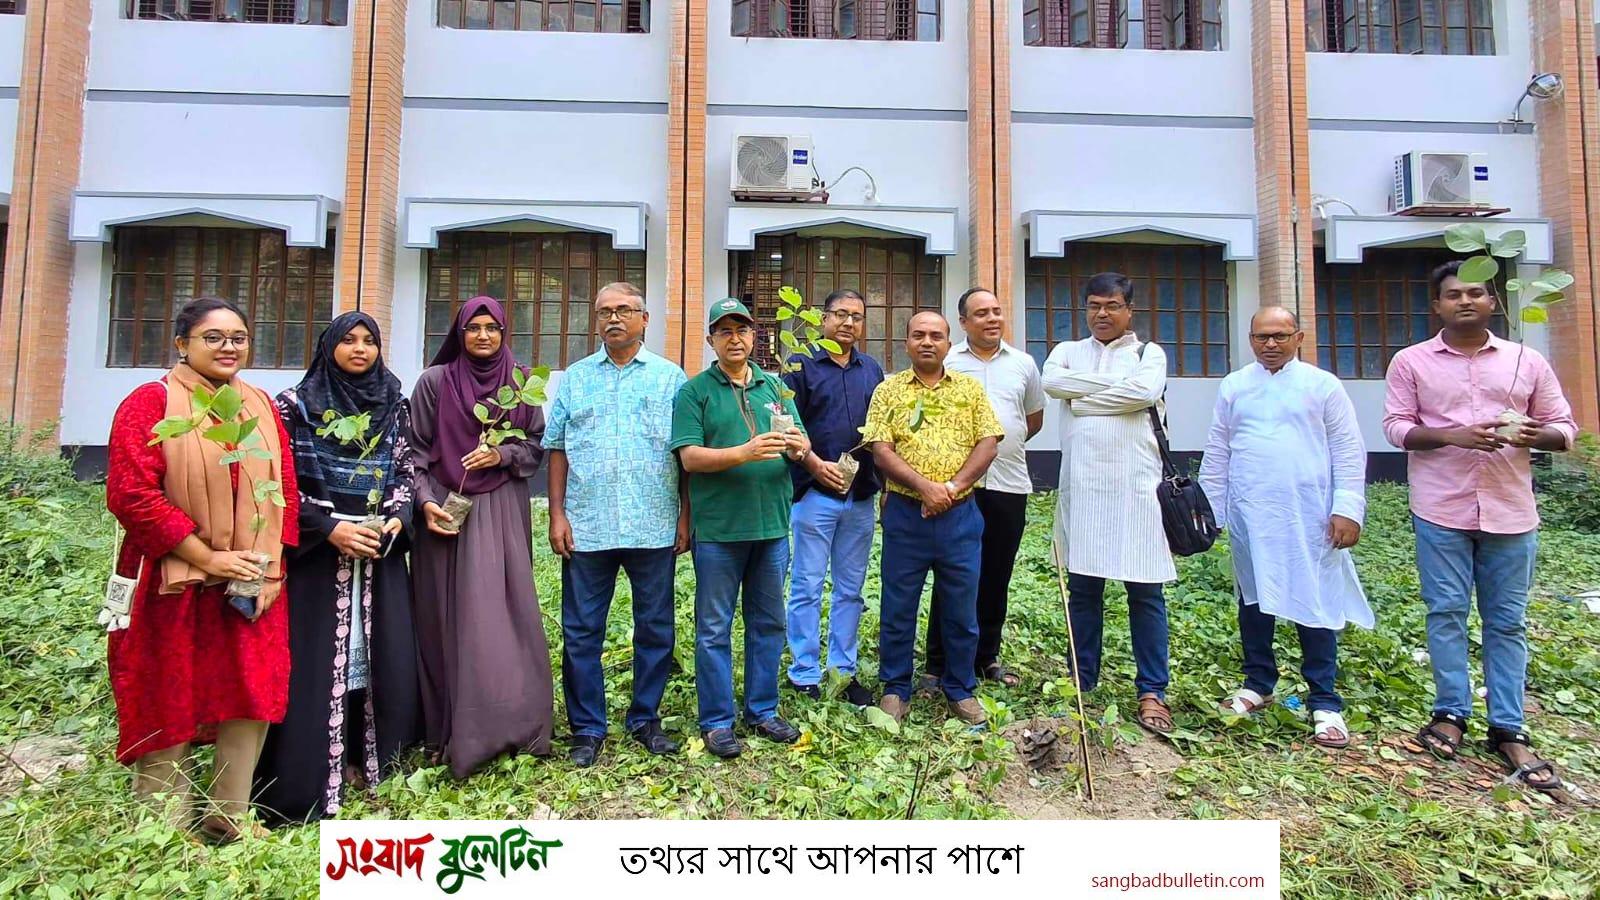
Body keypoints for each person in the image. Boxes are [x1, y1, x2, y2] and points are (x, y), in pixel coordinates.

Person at [104, 296, 299, 844]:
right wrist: (207, 556)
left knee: (249, 691)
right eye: (213, 337)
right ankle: (162, 827)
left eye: (238, 337)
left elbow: (284, 488)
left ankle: (228, 817)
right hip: (173, 580)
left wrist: (271, 570)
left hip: (250, 578)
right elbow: (131, 494)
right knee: (168, 691)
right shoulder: (151, 403)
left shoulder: (259, 406)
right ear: (182, 344)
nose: (228, 347)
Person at [1383, 260, 1577, 791]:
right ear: (1437, 306)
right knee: (1445, 612)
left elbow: (1565, 429)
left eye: (1475, 293)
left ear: (1492, 301)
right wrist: (1453, 435)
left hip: (1510, 512)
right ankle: (1450, 712)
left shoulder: (1525, 361)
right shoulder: (1411, 362)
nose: (1465, 301)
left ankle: (1508, 727)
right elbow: (1396, 427)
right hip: (1440, 510)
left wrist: (1534, 435)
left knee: (1507, 621)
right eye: (1453, 295)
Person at [255, 311, 421, 823]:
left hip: (376, 554)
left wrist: (396, 517)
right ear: (329, 346)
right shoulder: (294, 406)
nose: (360, 349)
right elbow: (280, 480)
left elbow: (406, 468)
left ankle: (367, 761)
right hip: (317, 560)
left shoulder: (394, 402)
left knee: (372, 655)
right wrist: (328, 529)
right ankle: (308, 775)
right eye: (348, 340)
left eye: (369, 340)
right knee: (316, 662)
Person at [1199, 307, 1372, 749]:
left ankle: (1324, 701)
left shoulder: (1322, 385)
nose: (1270, 344)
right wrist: (1210, 512)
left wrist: (1347, 508)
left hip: (1309, 516)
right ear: (1250, 339)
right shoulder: (1235, 385)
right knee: (1254, 598)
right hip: (1251, 514)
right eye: (1261, 337)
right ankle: (1258, 683)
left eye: (1279, 335)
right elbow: (1218, 450)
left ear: (1299, 337)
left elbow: (1348, 450)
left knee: (1314, 600)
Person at [545, 283, 689, 767]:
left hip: (653, 522)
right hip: (589, 525)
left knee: (655, 628)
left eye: (624, 310)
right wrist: (557, 514)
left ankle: (645, 718)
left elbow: (684, 451)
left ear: (644, 319)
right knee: (582, 630)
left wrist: (685, 514)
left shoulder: (670, 379)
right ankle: (587, 728)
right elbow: (557, 447)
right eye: (604, 311)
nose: (613, 318)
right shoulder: (576, 378)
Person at [410, 296, 553, 778]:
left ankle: (513, 725)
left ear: (504, 332)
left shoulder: (521, 382)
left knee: (503, 613)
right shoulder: (434, 382)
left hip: (502, 507)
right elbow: (414, 452)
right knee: (446, 616)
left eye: (493, 327)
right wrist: (425, 502)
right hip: (444, 508)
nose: (484, 336)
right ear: (459, 333)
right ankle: (448, 730)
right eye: (474, 328)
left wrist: (501, 455)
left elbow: (536, 445)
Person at [671, 297, 810, 758]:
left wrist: (798, 448)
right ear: (711, 340)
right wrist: (744, 453)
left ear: (755, 337)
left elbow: (801, 442)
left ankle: (763, 710)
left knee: (768, 622)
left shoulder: (776, 386)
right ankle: (716, 721)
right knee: (714, 627)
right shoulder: (695, 392)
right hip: (719, 530)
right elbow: (690, 457)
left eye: (743, 330)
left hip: (771, 526)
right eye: (725, 331)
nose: (735, 339)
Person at [1042, 272, 1177, 735]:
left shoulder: (1148, 354)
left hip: (1137, 491)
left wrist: (1083, 399)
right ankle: (1082, 683)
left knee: (1145, 592)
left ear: (1129, 310)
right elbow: (1052, 381)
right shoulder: (1066, 351)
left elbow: (1144, 392)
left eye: (1112, 305)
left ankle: (1152, 690)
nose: (1102, 313)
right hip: (1083, 490)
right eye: (1094, 305)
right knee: (1083, 592)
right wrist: (1114, 389)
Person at [864, 311, 1004, 726]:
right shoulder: (888, 391)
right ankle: (895, 687)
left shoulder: (969, 389)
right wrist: (925, 488)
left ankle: (960, 687)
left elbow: (988, 443)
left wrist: (951, 488)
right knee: (898, 606)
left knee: (961, 608)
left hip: (960, 517)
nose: (927, 342)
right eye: (919, 335)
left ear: (948, 343)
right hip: (906, 515)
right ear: (906, 342)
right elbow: (880, 449)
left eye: (936, 336)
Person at [930, 287, 1044, 689]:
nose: (992, 319)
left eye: (996, 311)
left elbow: (1031, 420)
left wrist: (1000, 446)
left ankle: (986, 656)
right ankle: (937, 661)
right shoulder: (949, 361)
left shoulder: (1024, 364)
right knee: (951, 574)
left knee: (997, 573)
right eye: (981, 313)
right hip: (957, 485)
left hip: (1008, 484)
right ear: (963, 322)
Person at [781, 288, 884, 708]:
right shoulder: (799, 365)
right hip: (814, 494)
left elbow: (881, 432)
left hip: (860, 497)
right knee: (806, 584)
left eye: (856, 316)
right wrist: (813, 464)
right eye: (840, 314)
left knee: (850, 589)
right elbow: (786, 427)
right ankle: (804, 671)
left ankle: (843, 670)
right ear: (823, 319)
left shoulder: (871, 370)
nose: (848, 323)